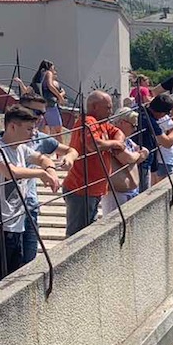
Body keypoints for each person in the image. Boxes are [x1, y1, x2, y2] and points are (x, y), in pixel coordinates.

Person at [0, 106, 60, 293]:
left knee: (9, 286)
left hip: (16, 227)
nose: (33, 133)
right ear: (13, 127)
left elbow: (43, 159)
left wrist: (51, 171)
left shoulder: (22, 148)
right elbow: (10, 171)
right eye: (29, 129)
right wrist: (41, 174)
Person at [12, 89, 77, 263]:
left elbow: (71, 150)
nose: (40, 117)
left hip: (30, 207)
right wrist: (43, 171)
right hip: (8, 213)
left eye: (42, 113)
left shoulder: (41, 138)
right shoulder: (3, 140)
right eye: (35, 112)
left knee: (28, 264)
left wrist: (68, 158)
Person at [62, 91, 129, 237]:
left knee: (87, 231)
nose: (111, 112)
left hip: (93, 189)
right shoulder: (87, 121)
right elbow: (93, 144)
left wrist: (116, 142)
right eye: (108, 108)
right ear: (94, 107)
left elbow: (119, 132)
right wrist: (115, 144)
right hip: (81, 188)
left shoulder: (102, 123)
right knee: (76, 236)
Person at [147, 93, 173, 186]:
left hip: (151, 161)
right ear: (162, 113)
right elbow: (167, 142)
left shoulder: (143, 113)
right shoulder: (150, 120)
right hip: (146, 163)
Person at [30, 60, 66, 135]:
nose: (54, 70)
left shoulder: (39, 76)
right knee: (58, 130)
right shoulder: (48, 73)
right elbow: (50, 86)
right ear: (49, 67)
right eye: (53, 67)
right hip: (50, 104)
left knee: (43, 130)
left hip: (40, 105)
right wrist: (60, 97)